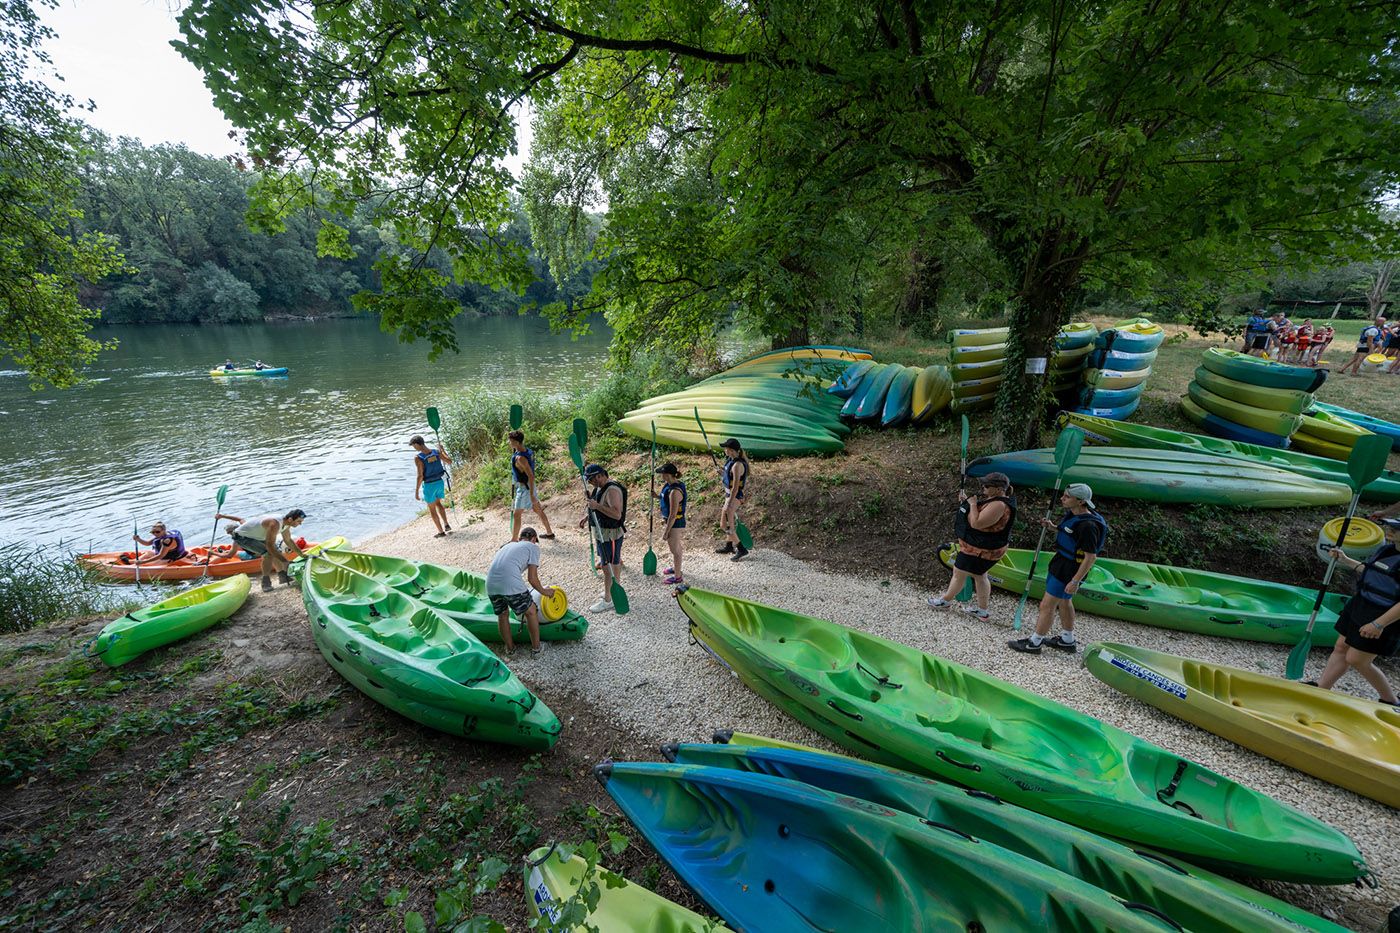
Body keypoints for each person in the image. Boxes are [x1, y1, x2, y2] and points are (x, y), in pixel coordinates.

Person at [1310, 518, 1400, 706]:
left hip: (1384, 615)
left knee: (1357, 659)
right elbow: (1371, 573)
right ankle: (1321, 689)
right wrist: (1345, 560)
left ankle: (1390, 700)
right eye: (1391, 526)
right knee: (1341, 648)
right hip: (1360, 605)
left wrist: (1378, 624)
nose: (1389, 530)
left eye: (1395, 528)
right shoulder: (1387, 550)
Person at [1008, 483, 1107, 654]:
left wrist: (1075, 581)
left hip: (1069, 569)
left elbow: (1091, 557)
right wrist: (1053, 527)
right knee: (1064, 601)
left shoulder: (1088, 526)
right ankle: (1067, 640)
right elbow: (1069, 533)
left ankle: (1034, 643)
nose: (1062, 498)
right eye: (1063, 495)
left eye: (1067, 497)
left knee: (1047, 605)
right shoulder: (1074, 514)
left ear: (1081, 502)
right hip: (1062, 562)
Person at [928, 473, 1016, 619]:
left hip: (981, 550)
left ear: (1000, 489)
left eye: (987, 486)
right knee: (980, 576)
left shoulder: (999, 505)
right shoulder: (995, 500)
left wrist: (973, 504)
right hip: (983, 548)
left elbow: (977, 523)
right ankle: (982, 610)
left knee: (959, 573)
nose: (983, 487)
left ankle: (945, 601)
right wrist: (967, 503)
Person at [484, 527, 556, 657]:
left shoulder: (508, 545)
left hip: (490, 584)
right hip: (509, 584)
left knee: (503, 615)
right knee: (531, 611)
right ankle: (536, 649)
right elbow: (532, 579)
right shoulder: (533, 547)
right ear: (534, 539)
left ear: (520, 538)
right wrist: (545, 592)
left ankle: (510, 650)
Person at [215, 508, 309, 590]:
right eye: (298, 521)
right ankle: (265, 582)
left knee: (277, 552)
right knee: (267, 554)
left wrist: (301, 554)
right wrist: (285, 561)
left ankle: (282, 576)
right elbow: (269, 546)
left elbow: (288, 540)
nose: (300, 524)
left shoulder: (287, 524)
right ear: (290, 519)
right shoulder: (274, 523)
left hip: (257, 537)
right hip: (242, 537)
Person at [580, 463, 627, 613]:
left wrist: (596, 506)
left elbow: (616, 514)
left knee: (608, 568)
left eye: (591, 479)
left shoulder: (612, 490)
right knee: (610, 564)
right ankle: (614, 589)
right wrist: (588, 516)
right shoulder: (599, 488)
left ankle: (608, 599)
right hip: (602, 534)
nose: (590, 483)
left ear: (600, 475)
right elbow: (598, 505)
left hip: (611, 535)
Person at [508, 430, 554, 542]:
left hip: (525, 488)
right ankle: (550, 533)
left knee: (517, 514)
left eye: (511, 441)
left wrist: (532, 494)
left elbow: (531, 476)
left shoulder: (520, 458)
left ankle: (514, 540)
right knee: (538, 509)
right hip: (527, 487)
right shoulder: (528, 451)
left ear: (517, 442)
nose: (509, 443)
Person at [715, 437, 751, 561]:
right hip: (730, 495)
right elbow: (728, 477)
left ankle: (741, 549)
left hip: (733, 496)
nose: (724, 450)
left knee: (725, 525)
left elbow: (735, 486)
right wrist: (722, 472)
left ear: (731, 450)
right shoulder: (731, 461)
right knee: (726, 523)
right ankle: (729, 546)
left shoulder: (737, 465)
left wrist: (730, 502)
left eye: (726, 448)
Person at [410, 435, 454, 538]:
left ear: (417, 444)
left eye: (413, 446)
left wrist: (416, 491)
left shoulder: (418, 457)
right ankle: (446, 524)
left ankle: (441, 532)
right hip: (439, 482)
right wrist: (442, 450)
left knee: (432, 509)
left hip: (429, 485)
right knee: (438, 503)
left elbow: (420, 475)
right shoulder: (436, 452)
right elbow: (449, 461)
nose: (414, 448)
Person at [657, 462, 688, 584]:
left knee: (674, 549)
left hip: (675, 522)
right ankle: (676, 568)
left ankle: (678, 576)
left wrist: (666, 531)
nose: (661, 476)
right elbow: (665, 499)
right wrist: (656, 496)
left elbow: (673, 514)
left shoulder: (675, 492)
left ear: (667, 475)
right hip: (672, 521)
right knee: (676, 547)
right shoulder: (670, 485)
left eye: (662, 474)